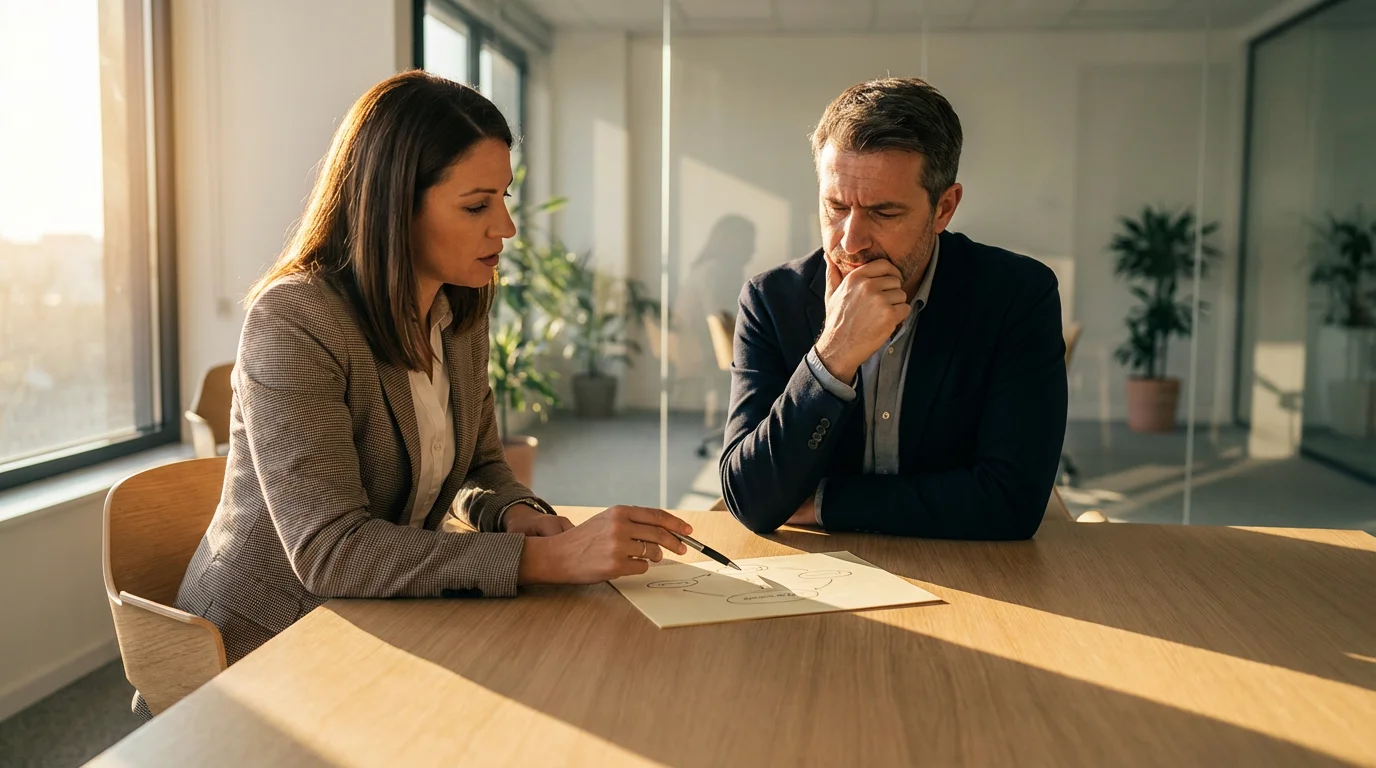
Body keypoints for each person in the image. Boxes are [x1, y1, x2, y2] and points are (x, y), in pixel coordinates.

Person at [173, 71, 692, 682]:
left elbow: (479, 467)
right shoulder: (295, 318)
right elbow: (332, 552)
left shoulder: (459, 312)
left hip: (388, 620)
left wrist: (518, 514)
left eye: (504, 198)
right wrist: (542, 561)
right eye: (477, 205)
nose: (506, 228)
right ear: (394, 205)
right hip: (268, 646)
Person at [719, 77, 1067, 539]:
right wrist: (833, 356)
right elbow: (750, 499)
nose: (850, 241)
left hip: (977, 576)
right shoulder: (769, 301)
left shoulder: (1018, 295)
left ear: (944, 208)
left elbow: (1011, 503)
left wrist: (824, 501)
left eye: (884, 213)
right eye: (835, 206)